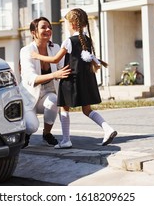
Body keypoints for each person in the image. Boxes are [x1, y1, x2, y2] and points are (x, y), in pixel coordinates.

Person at [31, 8, 117, 149]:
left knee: (64, 108)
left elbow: (54, 59)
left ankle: (66, 140)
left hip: (71, 80)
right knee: (87, 110)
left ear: (72, 24)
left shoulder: (69, 41)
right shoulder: (87, 40)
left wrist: (37, 56)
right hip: (86, 80)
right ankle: (107, 128)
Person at [19, 17, 71, 148]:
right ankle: (25, 133)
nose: (48, 29)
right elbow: (32, 79)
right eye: (43, 27)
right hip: (29, 97)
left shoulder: (56, 48)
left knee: (54, 100)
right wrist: (55, 74)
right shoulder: (26, 51)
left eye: (49, 27)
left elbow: (63, 69)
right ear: (33, 32)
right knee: (32, 126)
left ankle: (47, 134)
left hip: (47, 94)